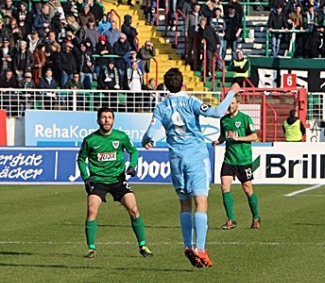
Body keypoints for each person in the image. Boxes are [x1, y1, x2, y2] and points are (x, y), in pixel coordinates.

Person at [141, 68, 240, 268]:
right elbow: (217, 112)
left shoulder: (161, 107)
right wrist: (231, 92)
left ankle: (187, 245)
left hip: (176, 159)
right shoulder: (190, 102)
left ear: (166, 86)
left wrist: (146, 141)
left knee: (185, 205)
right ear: (183, 83)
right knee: (201, 202)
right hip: (196, 157)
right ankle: (200, 249)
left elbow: (150, 132)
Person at [76, 107, 152, 259]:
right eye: (103, 117)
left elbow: (134, 151)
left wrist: (132, 166)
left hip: (118, 180)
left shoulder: (121, 137)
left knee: (134, 209)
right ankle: (91, 249)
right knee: (91, 211)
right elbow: (81, 159)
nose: (106, 120)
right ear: (98, 120)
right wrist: (86, 178)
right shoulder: (90, 140)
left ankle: (143, 246)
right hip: (98, 181)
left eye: (109, 117)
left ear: (113, 120)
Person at [213, 94, 261, 230]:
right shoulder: (224, 120)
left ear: (238, 104)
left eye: (233, 103)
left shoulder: (245, 119)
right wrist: (218, 141)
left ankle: (256, 216)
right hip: (229, 159)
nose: (230, 106)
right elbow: (223, 136)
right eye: (229, 103)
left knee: (247, 189)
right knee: (224, 187)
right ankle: (231, 220)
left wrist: (239, 138)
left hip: (243, 159)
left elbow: (254, 136)